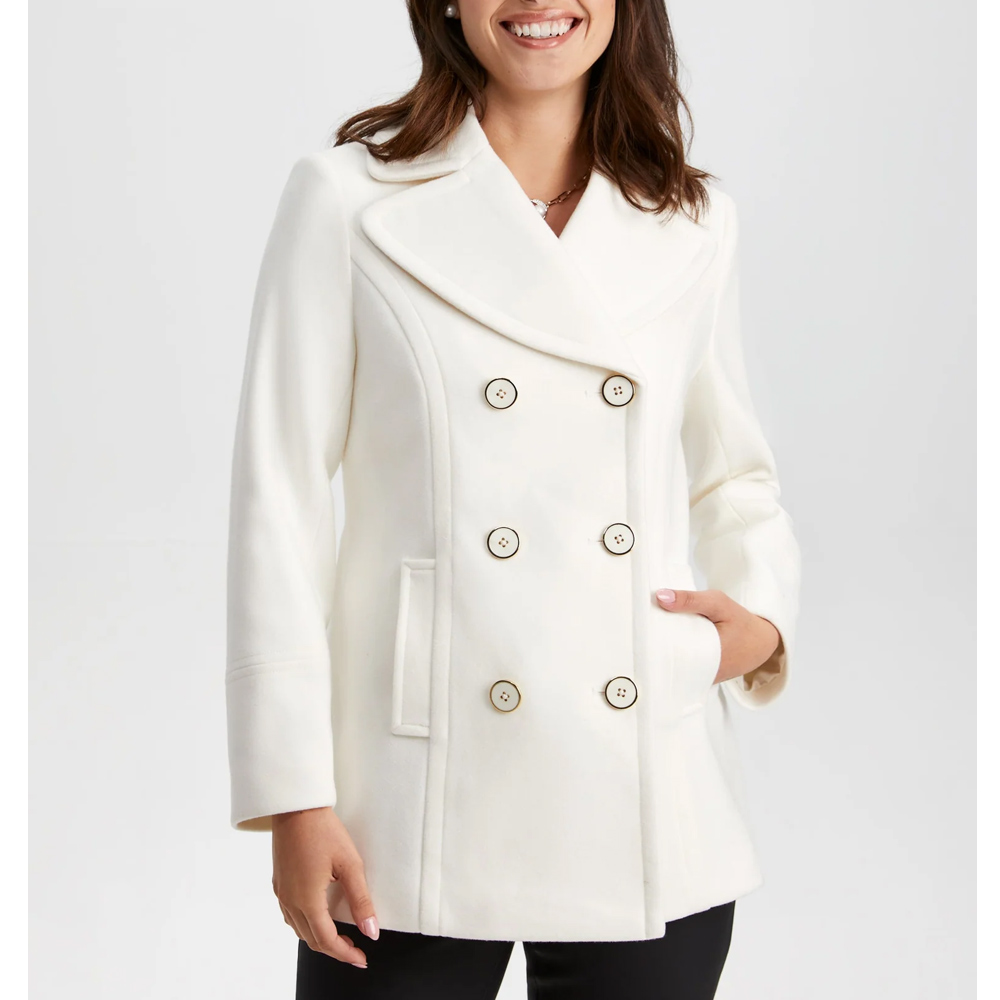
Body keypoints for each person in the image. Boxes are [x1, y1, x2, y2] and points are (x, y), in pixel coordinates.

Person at [225, 1, 802, 997]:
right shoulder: (346, 198)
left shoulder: (691, 218)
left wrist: (756, 626)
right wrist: (293, 795)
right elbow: (277, 500)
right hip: (408, 797)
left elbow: (734, 472)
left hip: (650, 792)